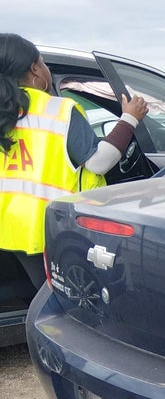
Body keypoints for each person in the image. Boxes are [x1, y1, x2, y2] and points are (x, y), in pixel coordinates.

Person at [0, 33, 149, 291]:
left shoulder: (5, 113)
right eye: (43, 62)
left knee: (39, 296)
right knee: (60, 307)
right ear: (35, 70)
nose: (46, 68)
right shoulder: (57, 110)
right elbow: (99, 163)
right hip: (51, 228)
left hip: (9, 226)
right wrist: (129, 119)